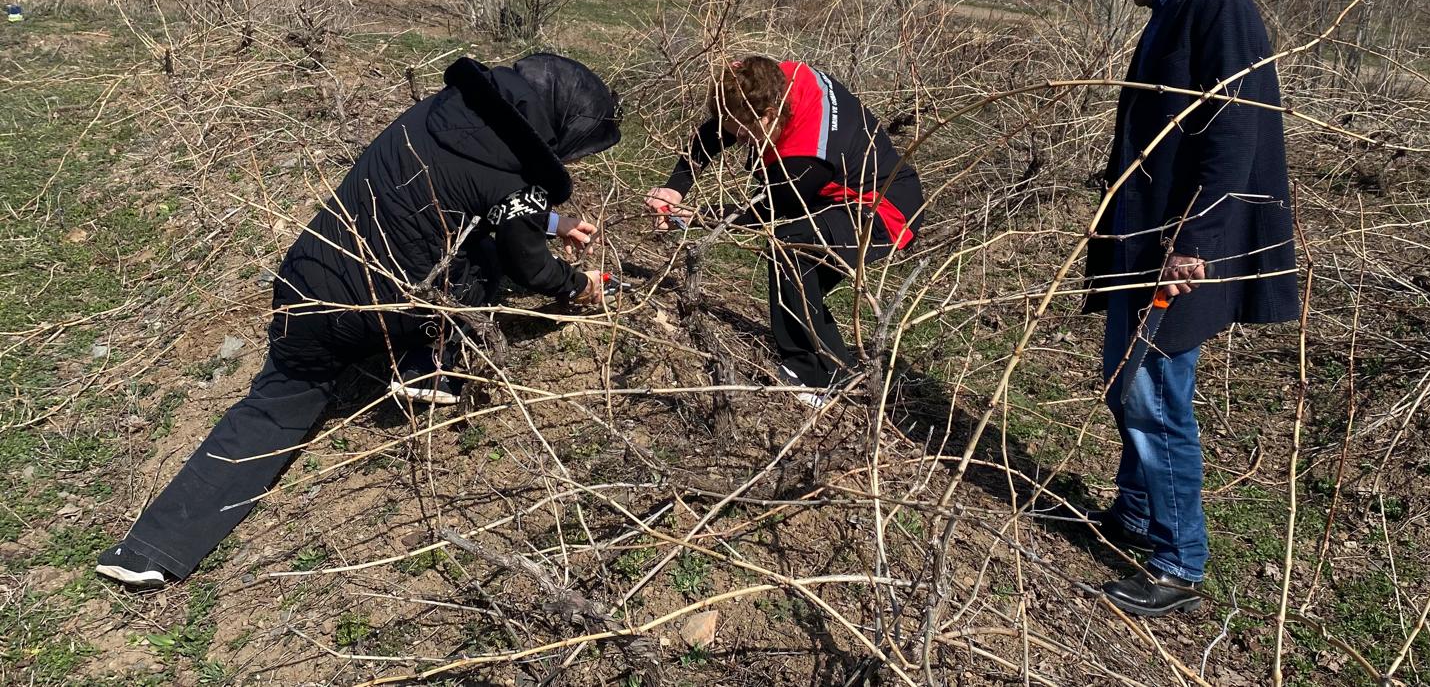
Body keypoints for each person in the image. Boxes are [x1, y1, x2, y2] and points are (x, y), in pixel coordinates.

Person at [95, 53, 620, 587]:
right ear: (556, 127)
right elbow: (526, 264)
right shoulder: (517, 179)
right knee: (484, 260)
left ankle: (149, 550)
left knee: (276, 405)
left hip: (305, 282)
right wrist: (577, 286)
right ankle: (428, 365)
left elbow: (463, 190)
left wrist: (552, 221)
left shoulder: (440, 111)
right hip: (377, 311)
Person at [1082, 0, 1299, 616]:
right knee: (1129, 377)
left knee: (1150, 392)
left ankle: (1179, 562)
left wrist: (1195, 241)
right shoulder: (1178, 8)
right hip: (1150, 237)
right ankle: (1137, 515)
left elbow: (1237, 136)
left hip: (1180, 248)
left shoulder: (1217, 7)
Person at [646, 56, 923, 391]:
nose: (744, 142)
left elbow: (764, 210)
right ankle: (838, 366)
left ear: (769, 116)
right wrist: (675, 188)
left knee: (791, 249)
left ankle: (816, 376)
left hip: (885, 211)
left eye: (748, 137)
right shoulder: (774, 80)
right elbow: (719, 129)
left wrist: (692, 217)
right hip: (842, 195)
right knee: (801, 271)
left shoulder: (807, 158)